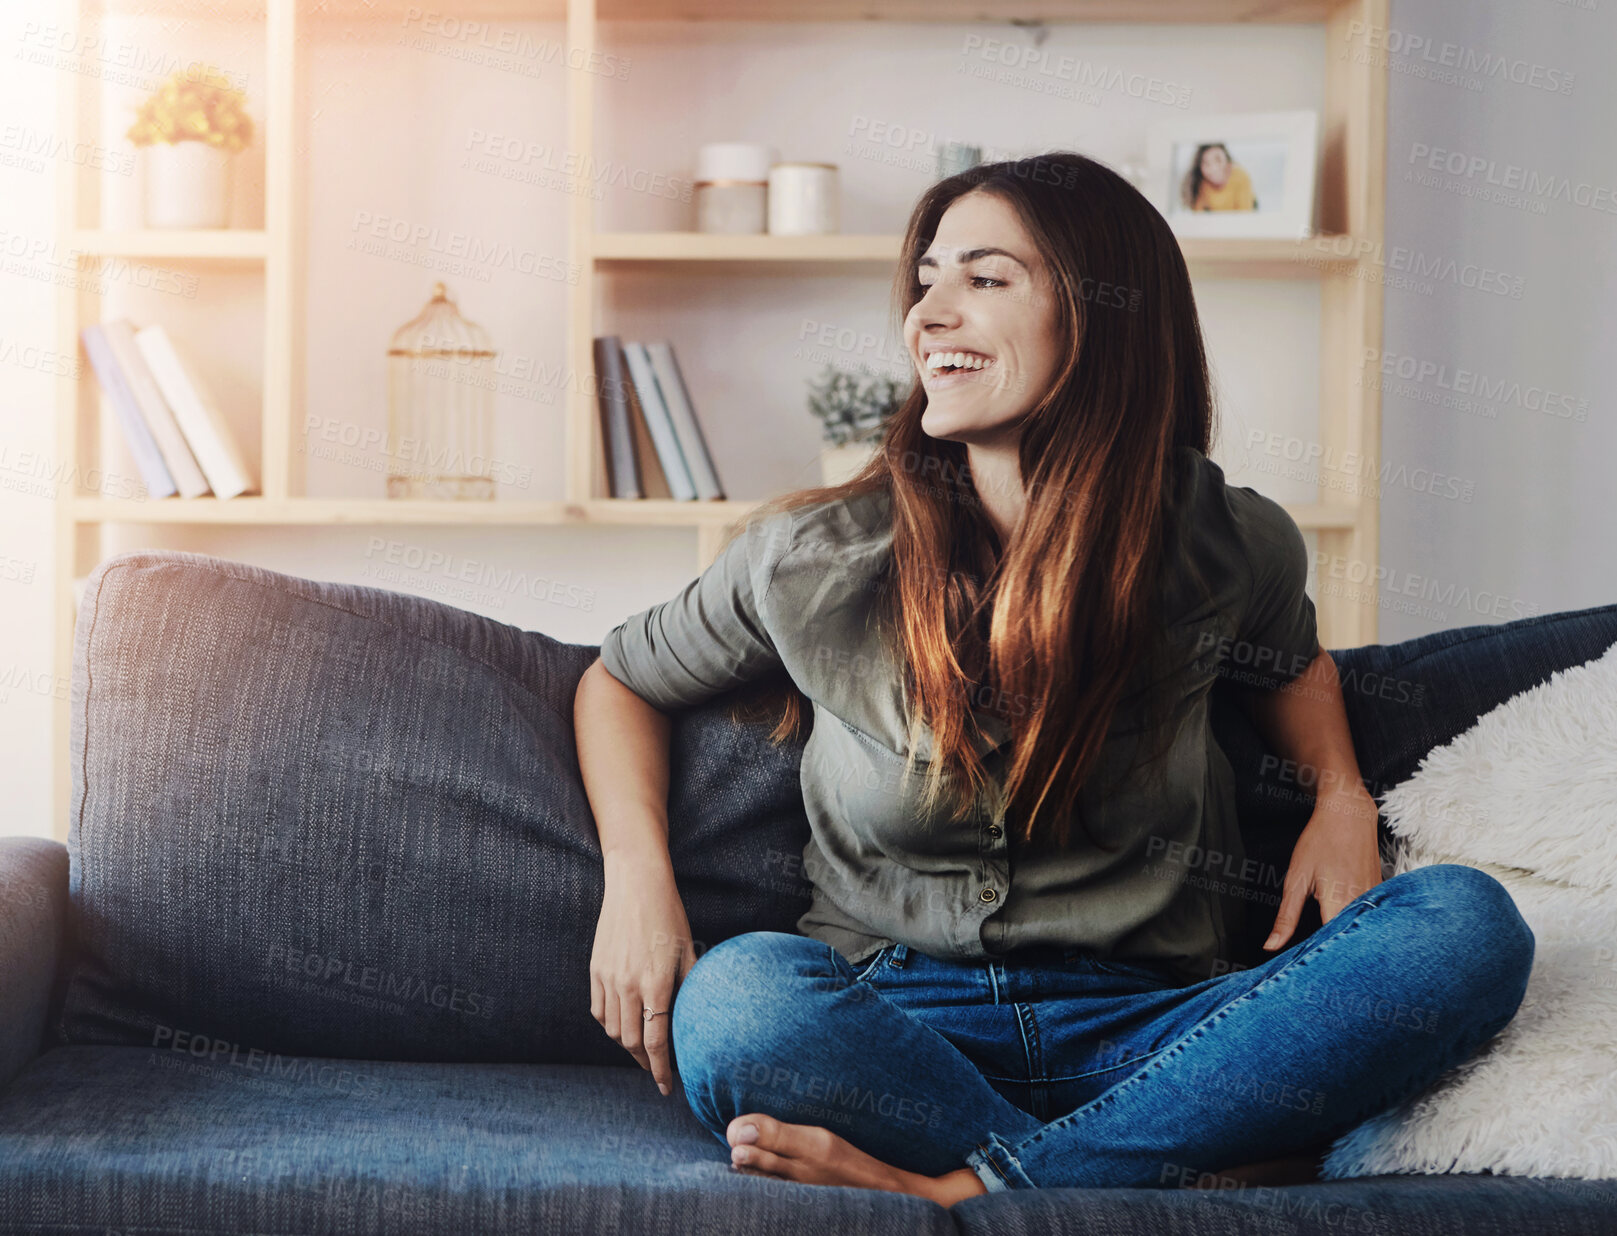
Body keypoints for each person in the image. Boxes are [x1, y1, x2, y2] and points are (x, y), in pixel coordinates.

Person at [573, 151, 1534, 1205]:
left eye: (983, 280)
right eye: (928, 280)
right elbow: (621, 680)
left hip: (1167, 1031)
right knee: (739, 1000)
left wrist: (1340, 793)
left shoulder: (1224, 541)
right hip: (894, 1023)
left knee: (1463, 925)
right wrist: (638, 881)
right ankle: (1142, 1176)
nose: (928, 315)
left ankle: (976, 1194)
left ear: (1103, 315)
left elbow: (1291, 657)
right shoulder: (810, 555)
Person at [1183, 142, 1257, 211]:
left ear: (1228, 161)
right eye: (1206, 163)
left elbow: (1245, 214)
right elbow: (1199, 218)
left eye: (1218, 160)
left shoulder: (1240, 176)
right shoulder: (1199, 183)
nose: (1213, 168)